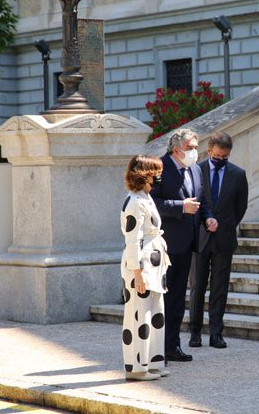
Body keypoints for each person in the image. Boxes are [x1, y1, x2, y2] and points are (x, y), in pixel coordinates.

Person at [150, 129, 217, 363]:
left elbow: (201, 201)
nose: (194, 152)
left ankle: (172, 345)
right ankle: (156, 347)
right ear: (176, 149)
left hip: (187, 243)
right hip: (165, 244)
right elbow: (151, 202)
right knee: (163, 298)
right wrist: (181, 207)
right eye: (190, 148)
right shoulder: (159, 168)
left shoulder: (195, 169)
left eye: (196, 147)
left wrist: (208, 217)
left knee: (178, 298)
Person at [189, 132, 249, 349]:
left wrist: (223, 225)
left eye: (225, 157)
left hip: (224, 238)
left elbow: (240, 207)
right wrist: (205, 222)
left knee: (219, 288)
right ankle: (195, 333)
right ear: (209, 151)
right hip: (200, 237)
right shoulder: (196, 170)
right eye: (217, 156)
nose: (221, 160)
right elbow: (193, 201)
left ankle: (216, 334)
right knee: (197, 287)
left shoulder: (238, 174)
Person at [121, 155, 170, 381]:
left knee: (155, 314)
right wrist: (138, 274)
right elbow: (133, 240)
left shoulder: (145, 198)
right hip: (141, 266)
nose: (159, 176)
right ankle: (138, 367)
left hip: (154, 264)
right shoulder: (135, 202)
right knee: (140, 315)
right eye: (156, 172)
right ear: (145, 175)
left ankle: (153, 362)